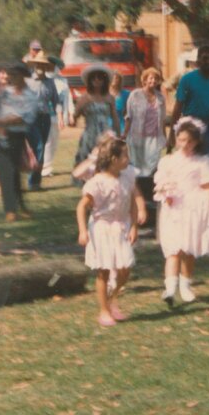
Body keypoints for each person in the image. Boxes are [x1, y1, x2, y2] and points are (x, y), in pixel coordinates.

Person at [155, 117, 209, 306]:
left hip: (193, 209)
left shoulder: (202, 162)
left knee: (188, 249)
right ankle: (169, 288)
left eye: (190, 141)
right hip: (174, 209)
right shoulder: (167, 162)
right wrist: (165, 192)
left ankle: (185, 286)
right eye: (182, 140)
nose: (185, 144)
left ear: (197, 142)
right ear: (176, 138)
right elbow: (160, 183)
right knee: (173, 250)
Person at [76, 138, 145, 327]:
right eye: (125, 155)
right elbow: (81, 207)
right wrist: (83, 231)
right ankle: (104, 310)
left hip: (121, 227)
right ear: (114, 159)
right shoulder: (97, 182)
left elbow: (132, 201)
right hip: (102, 229)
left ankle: (112, 297)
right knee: (104, 271)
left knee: (126, 267)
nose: (128, 159)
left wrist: (133, 226)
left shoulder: (127, 177)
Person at [0, 62, 38, 221]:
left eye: (14, 75)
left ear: (23, 76)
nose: (10, 78)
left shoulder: (30, 96)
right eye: (9, 75)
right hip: (0, 135)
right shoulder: (4, 93)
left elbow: (23, 118)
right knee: (4, 172)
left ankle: (20, 206)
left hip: (16, 136)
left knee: (15, 173)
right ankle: (10, 210)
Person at [124, 68, 167, 226]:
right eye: (150, 78)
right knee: (138, 168)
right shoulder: (135, 95)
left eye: (156, 79)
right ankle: (137, 201)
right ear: (144, 80)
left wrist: (165, 136)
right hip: (137, 137)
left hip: (154, 138)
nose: (153, 81)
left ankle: (148, 199)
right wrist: (125, 134)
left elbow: (162, 120)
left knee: (152, 167)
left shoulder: (161, 98)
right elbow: (128, 116)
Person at [169, 45, 209, 157]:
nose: (208, 62)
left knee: (207, 164)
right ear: (198, 60)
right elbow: (178, 107)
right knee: (190, 162)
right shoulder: (187, 79)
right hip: (191, 128)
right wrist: (172, 134)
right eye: (205, 58)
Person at [72, 65, 119, 180]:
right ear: (90, 80)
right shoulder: (84, 98)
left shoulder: (109, 98)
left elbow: (115, 117)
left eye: (100, 78)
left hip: (106, 133)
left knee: (106, 157)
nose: (97, 80)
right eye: (94, 78)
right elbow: (74, 118)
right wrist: (78, 109)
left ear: (104, 81)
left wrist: (118, 133)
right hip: (90, 133)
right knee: (88, 158)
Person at [25, 52, 60, 191]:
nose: (40, 67)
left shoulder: (50, 82)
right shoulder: (28, 81)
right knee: (37, 147)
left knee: (41, 147)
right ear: (34, 65)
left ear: (46, 67)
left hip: (45, 118)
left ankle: (35, 182)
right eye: (38, 64)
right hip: (31, 119)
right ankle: (32, 180)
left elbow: (56, 100)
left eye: (42, 65)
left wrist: (59, 114)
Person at [43, 55, 73, 178]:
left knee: (53, 142)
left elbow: (68, 97)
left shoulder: (63, 80)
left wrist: (71, 113)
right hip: (47, 115)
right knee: (47, 142)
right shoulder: (43, 79)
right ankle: (44, 168)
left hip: (59, 116)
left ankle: (48, 166)